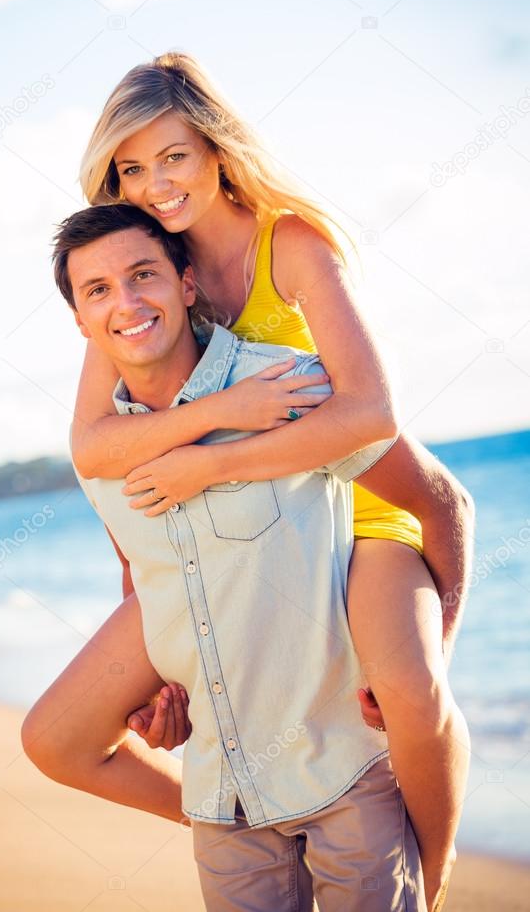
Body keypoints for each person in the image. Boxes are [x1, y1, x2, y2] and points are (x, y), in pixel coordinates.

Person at [67, 52, 473, 907]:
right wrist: (161, 605)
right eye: (131, 168)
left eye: (172, 155)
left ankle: (427, 883)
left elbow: (371, 417)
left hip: (358, 505)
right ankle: (241, 817)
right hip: (238, 538)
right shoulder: (143, 270)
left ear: (216, 148)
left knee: (405, 688)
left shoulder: (290, 242)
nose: (154, 183)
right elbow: (101, 447)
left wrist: (212, 458)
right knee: (67, 732)